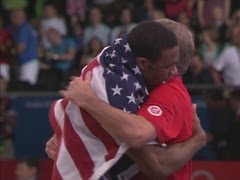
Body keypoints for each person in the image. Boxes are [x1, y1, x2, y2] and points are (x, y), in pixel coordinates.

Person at [46, 19, 206, 179]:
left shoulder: (170, 92)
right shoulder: (144, 83)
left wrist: (89, 102)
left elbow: (155, 162)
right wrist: (72, 130)